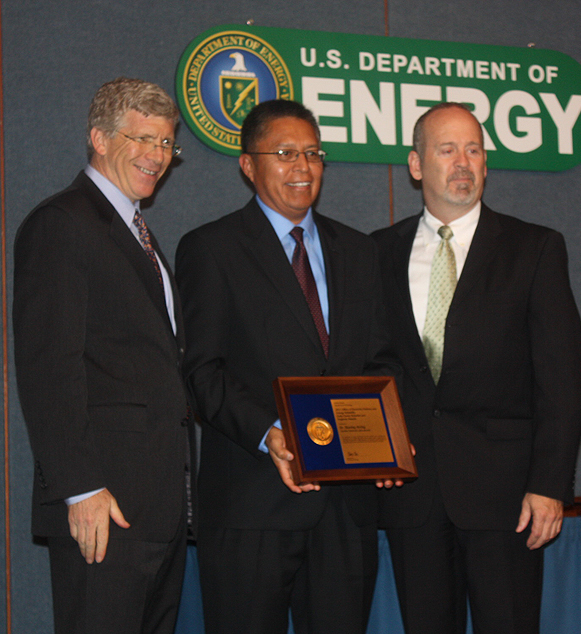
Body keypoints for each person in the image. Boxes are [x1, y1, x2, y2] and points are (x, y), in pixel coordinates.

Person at [175, 99, 399, 634]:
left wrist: (389, 433)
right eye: (284, 153)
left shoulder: (359, 251)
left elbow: (380, 359)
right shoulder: (211, 249)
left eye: (313, 153)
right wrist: (271, 433)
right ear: (247, 165)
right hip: (251, 507)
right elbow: (202, 372)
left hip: (345, 514)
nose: (303, 167)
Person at [371, 102, 581, 634]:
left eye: (474, 149)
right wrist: (372, 448)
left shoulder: (534, 249)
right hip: (412, 496)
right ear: (417, 165)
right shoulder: (375, 253)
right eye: (447, 149)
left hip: (507, 500)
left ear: (486, 164)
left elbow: (563, 377)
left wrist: (549, 484)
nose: (463, 161)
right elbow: (369, 366)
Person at [13, 77, 192, 634]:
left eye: (165, 143)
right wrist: (82, 487)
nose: (156, 156)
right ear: (98, 137)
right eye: (140, 139)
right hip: (104, 509)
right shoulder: (63, 223)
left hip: (156, 508)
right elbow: (50, 367)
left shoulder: (137, 230)